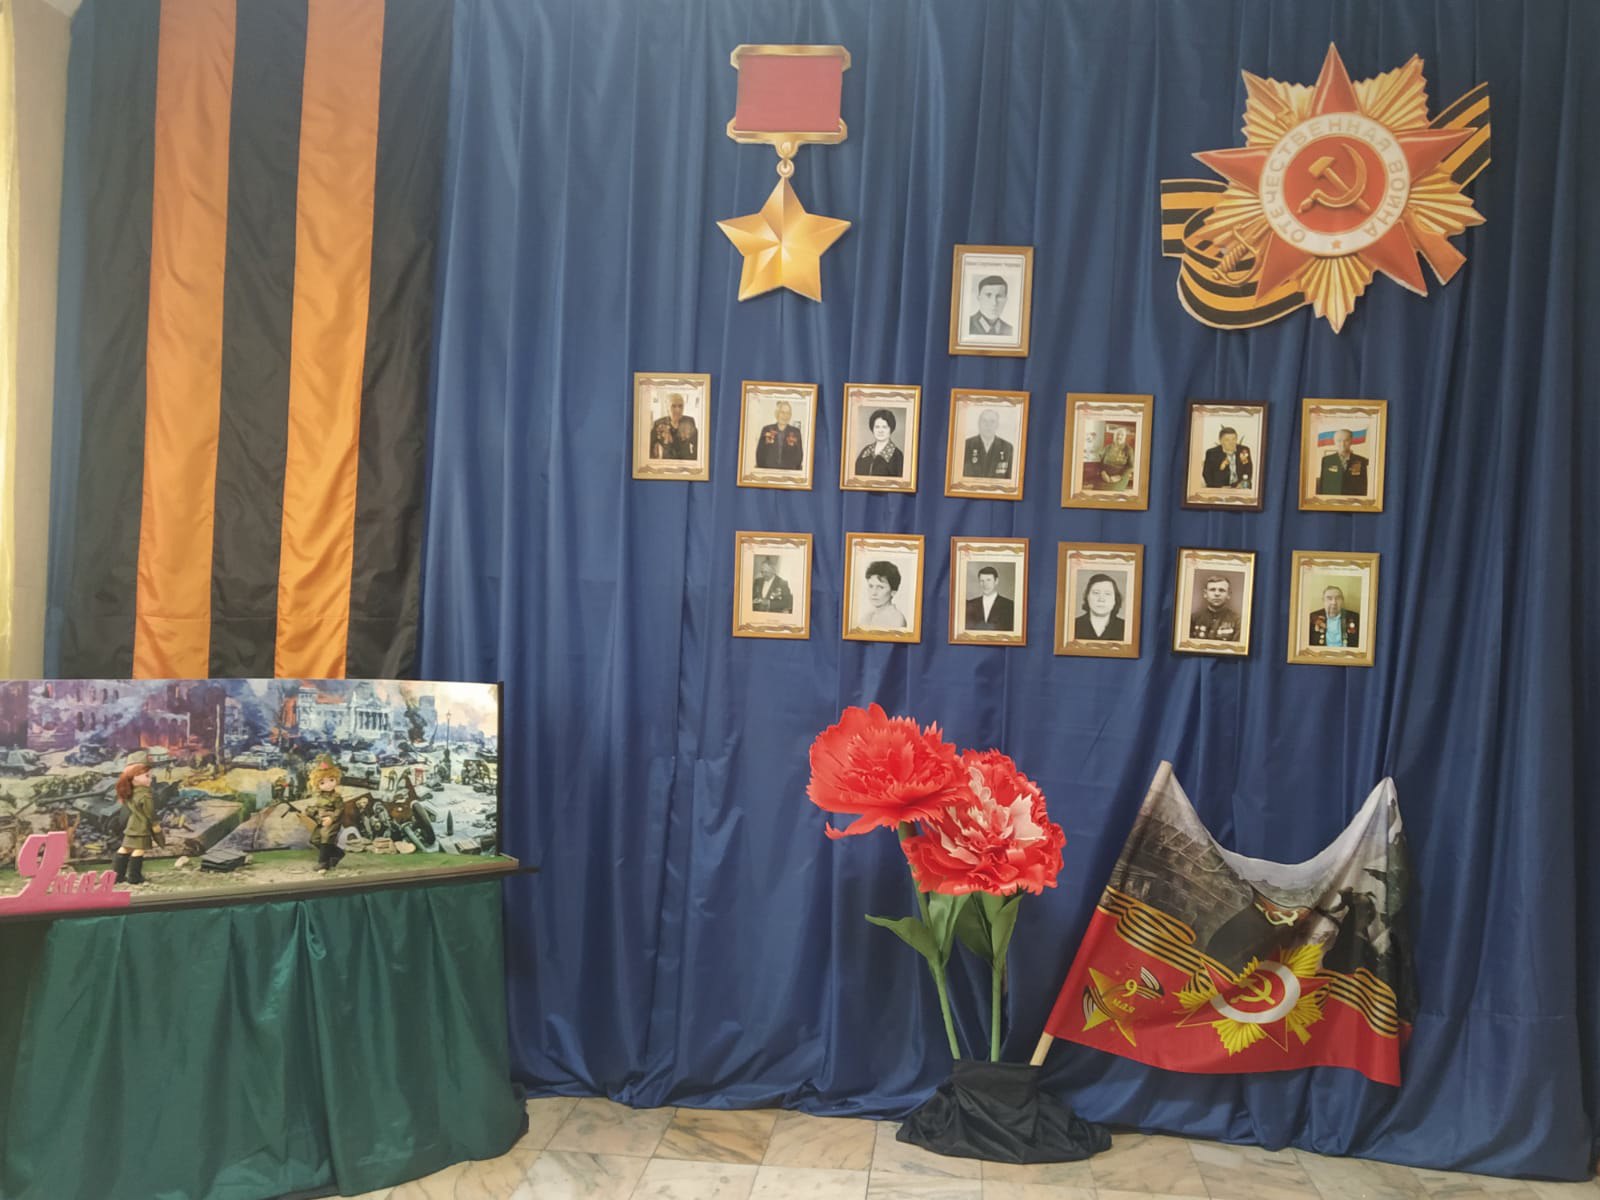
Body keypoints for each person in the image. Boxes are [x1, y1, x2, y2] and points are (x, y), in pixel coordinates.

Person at [112, 751, 160, 886]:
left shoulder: (129, 792)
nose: (150, 779)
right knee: (139, 849)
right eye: (147, 776)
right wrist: (155, 825)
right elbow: (150, 813)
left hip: (131, 826)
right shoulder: (145, 795)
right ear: (134, 776)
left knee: (125, 848)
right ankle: (134, 877)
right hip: (141, 827)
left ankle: (117, 876)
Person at [305, 755, 349, 874]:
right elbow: (319, 806)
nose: (328, 784)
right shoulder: (320, 796)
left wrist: (332, 818)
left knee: (326, 838)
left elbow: (340, 809)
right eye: (322, 782)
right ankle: (337, 853)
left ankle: (323, 863)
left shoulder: (336, 797)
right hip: (321, 820)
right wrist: (311, 811)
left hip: (332, 820)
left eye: (331, 780)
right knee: (315, 839)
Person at [1073, 573, 1126, 641]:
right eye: (1096, 593)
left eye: (1107, 594)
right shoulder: (1073, 625)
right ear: (1087, 597)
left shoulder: (1126, 628)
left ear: (1115, 600)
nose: (1101, 599)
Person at [963, 409, 1014, 478]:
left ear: (997, 425)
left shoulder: (1007, 448)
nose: (988, 425)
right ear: (979, 424)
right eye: (984, 421)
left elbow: (1010, 478)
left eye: (992, 421)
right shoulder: (966, 445)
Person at [854, 408, 905, 477]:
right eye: (877, 427)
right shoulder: (866, 451)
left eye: (884, 427)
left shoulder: (897, 456)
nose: (880, 431)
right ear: (872, 429)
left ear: (891, 429)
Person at [755, 400, 804, 471]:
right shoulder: (767, 429)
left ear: (790, 415)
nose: (785, 416)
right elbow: (760, 453)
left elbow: (799, 455)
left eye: (788, 413)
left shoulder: (796, 432)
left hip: (789, 472)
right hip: (768, 471)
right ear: (777, 414)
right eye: (782, 412)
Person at [1189, 575, 1242, 640]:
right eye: (1212, 590)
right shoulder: (1194, 618)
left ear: (1228, 594)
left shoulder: (1237, 620)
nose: (1217, 594)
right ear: (1205, 594)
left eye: (1221, 590)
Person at [1317, 428, 1368, 495]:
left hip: (1353, 498)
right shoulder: (1327, 460)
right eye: (1339, 440)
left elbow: (1363, 485)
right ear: (1334, 442)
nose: (1342, 444)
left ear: (1351, 441)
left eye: (1346, 440)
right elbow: (1323, 484)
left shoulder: (1361, 460)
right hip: (1333, 498)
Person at [859, 560, 908, 630]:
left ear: (893, 592)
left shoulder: (896, 620)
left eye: (880, 587)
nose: (874, 593)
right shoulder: (867, 617)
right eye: (871, 586)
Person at [649, 393, 698, 461]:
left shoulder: (689, 422)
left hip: (686, 463)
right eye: (673, 406)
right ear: (667, 408)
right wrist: (654, 462)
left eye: (680, 406)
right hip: (667, 463)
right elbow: (649, 447)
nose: (678, 410)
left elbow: (698, 446)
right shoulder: (659, 424)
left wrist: (693, 461)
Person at [964, 565, 1014, 631]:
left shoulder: (1010, 605)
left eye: (988, 580)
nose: (985, 584)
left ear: (996, 581)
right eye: (982, 580)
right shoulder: (969, 604)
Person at [1096, 426, 1135, 491]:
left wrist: (1119, 476)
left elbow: (1130, 466)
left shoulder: (1129, 449)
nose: (1119, 437)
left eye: (1122, 435)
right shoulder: (1107, 447)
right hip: (1105, 475)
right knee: (1097, 487)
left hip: (1120, 476)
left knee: (1112, 491)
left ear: (1125, 437)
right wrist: (1103, 472)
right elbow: (1100, 462)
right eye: (1117, 434)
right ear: (1114, 436)